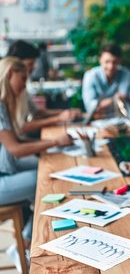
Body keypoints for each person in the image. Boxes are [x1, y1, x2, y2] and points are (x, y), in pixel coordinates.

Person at [0, 57, 73, 268]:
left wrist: (50, 145)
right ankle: (26, 242)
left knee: (52, 166)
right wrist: (54, 141)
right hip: (4, 173)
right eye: (23, 79)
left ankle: (26, 239)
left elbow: (14, 141)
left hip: (6, 167)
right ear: (10, 74)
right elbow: (15, 148)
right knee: (44, 179)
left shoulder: (5, 104)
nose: (24, 85)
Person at [7, 40, 82, 134]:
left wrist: (66, 113)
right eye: (30, 64)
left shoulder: (20, 87)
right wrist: (58, 118)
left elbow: (36, 112)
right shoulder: (6, 94)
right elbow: (20, 127)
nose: (33, 68)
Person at [82, 43, 130, 116]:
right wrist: (114, 100)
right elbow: (90, 107)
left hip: (123, 119)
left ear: (119, 61)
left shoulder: (127, 74)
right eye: (107, 62)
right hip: (99, 119)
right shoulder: (90, 76)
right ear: (100, 60)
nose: (111, 66)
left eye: (114, 62)